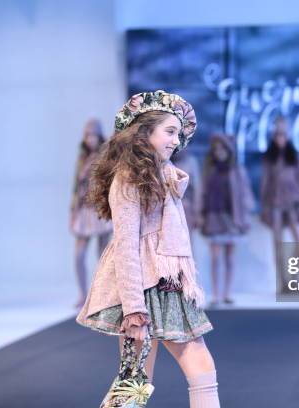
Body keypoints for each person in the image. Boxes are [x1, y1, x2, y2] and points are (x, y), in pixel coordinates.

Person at [76, 90, 220, 407]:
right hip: (145, 290)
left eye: (178, 135)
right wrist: (133, 310)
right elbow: (126, 245)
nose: (175, 141)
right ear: (144, 131)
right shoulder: (129, 178)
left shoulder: (162, 176)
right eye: (169, 131)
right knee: (141, 379)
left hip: (167, 284)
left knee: (144, 379)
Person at [200, 133, 254, 306]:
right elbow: (203, 193)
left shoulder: (237, 170)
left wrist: (245, 215)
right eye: (216, 149)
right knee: (215, 256)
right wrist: (201, 214)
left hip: (232, 217)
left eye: (222, 148)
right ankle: (216, 294)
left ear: (229, 150)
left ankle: (227, 292)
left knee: (230, 256)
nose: (219, 152)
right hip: (214, 216)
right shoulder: (209, 170)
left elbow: (245, 194)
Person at [260, 117, 299, 291]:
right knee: (279, 246)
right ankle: (283, 284)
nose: (281, 138)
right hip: (275, 205)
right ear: (273, 137)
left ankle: (294, 279)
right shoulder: (270, 158)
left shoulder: (293, 156)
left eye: (283, 135)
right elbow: (265, 183)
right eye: (278, 135)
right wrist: (264, 207)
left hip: (293, 205)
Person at [70, 119, 112, 308]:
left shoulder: (105, 157)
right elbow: (75, 187)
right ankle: (83, 294)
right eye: (87, 135)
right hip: (84, 209)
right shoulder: (82, 159)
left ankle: (103, 295)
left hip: (100, 209)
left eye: (93, 134)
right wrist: (72, 211)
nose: (90, 139)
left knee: (103, 255)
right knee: (79, 255)